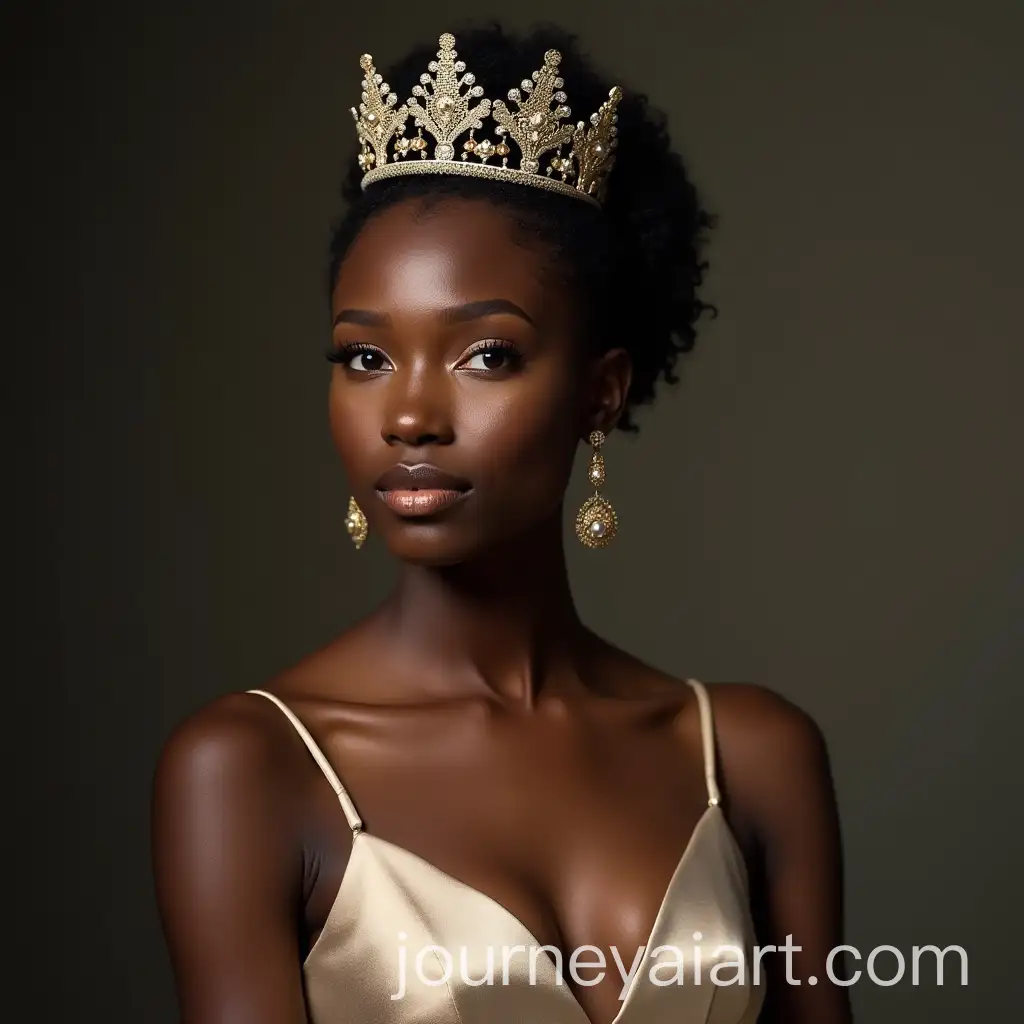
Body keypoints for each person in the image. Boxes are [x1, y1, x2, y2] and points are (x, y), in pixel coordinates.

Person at [152, 22, 851, 1024]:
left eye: (486, 355)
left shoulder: (748, 754)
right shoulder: (249, 769)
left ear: (601, 391)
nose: (407, 416)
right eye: (364, 357)